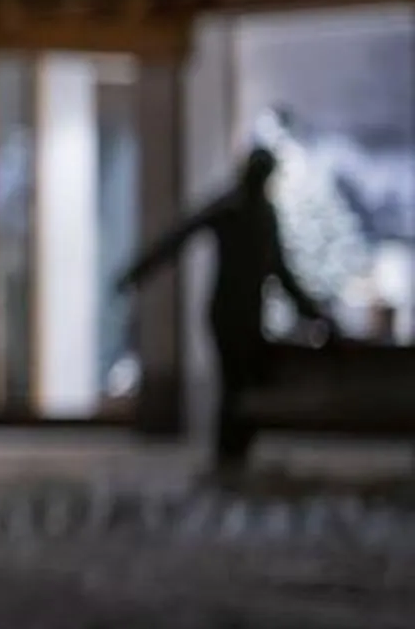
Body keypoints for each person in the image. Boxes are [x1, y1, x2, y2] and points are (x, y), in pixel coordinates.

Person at [116, 147, 332, 476]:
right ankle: (228, 457)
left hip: (248, 316)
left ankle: (234, 455)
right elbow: (178, 237)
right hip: (229, 314)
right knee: (233, 384)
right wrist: (137, 274)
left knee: (241, 385)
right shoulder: (233, 209)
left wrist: (314, 315)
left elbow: (280, 272)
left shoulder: (260, 214)